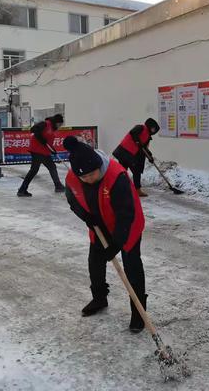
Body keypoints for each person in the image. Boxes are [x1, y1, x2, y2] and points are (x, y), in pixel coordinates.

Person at [64, 136, 147, 333]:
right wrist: (86, 217)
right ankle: (99, 298)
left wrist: (116, 244)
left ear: (98, 166)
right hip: (99, 225)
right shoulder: (73, 177)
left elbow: (126, 214)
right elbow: (73, 201)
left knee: (132, 267)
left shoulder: (116, 176)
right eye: (83, 178)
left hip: (127, 225)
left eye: (92, 175)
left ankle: (139, 312)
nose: (88, 179)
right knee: (95, 261)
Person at [17, 114, 65, 197]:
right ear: (56, 122)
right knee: (34, 170)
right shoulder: (45, 124)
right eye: (60, 124)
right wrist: (41, 139)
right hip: (37, 150)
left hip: (44, 152)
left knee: (52, 167)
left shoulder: (53, 128)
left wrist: (52, 150)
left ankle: (58, 186)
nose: (60, 126)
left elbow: (48, 142)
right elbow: (33, 130)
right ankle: (22, 190)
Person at [112, 118, 160, 197]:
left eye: (154, 129)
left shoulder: (147, 137)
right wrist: (137, 141)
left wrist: (150, 157)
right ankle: (120, 188)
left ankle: (135, 189)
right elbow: (133, 133)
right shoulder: (140, 127)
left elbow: (144, 148)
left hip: (131, 154)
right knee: (123, 171)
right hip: (124, 151)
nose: (153, 130)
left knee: (134, 171)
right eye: (153, 128)